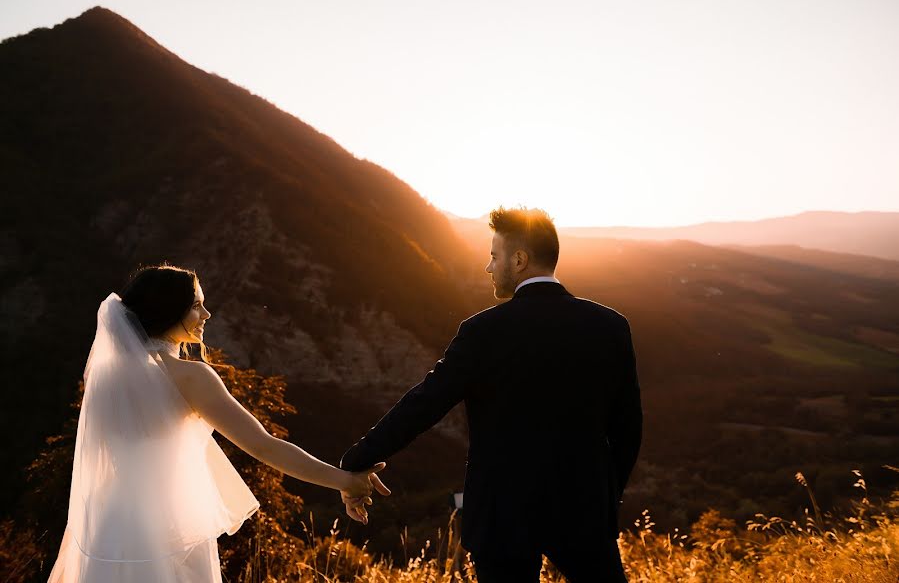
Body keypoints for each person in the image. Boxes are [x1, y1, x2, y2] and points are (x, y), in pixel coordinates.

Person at [340, 207, 642, 582]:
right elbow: (628, 427)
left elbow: (424, 405)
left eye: (494, 256)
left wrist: (356, 461)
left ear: (519, 260)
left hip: (503, 515)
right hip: (585, 510)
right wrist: (604, 495)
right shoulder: (610, 326)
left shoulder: (483, 332)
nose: (488, 267)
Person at [48, 265, 389, 582]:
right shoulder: (190, 377)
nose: (206, 315)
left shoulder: (109, 377)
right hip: (168, 531)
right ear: (170, 309)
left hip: (110, 530)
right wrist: (344, 480)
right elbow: (263, 445)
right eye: (197, 305)